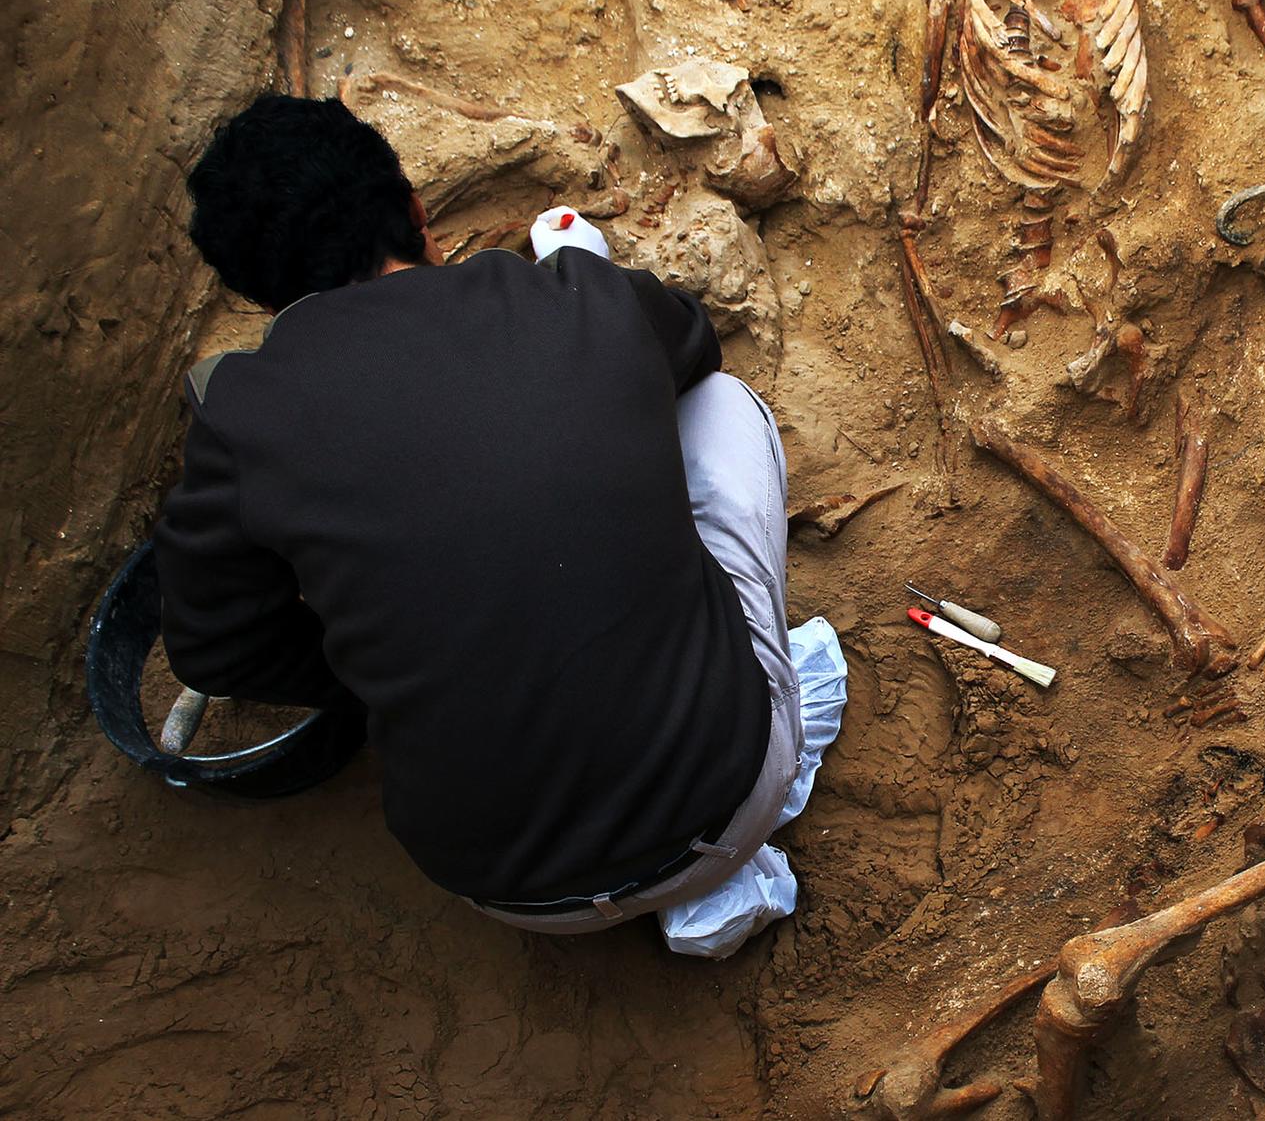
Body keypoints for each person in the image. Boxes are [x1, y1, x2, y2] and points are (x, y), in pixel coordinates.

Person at [155, 94, 841, 947]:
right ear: (414, 212)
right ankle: (727, 842)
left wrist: (383, 666)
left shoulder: (238, 415)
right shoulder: (566, 294)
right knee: (722, 406)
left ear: (254, 291)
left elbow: (211, 646)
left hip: (505, 891)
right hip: (729, 802)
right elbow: (693, 345)